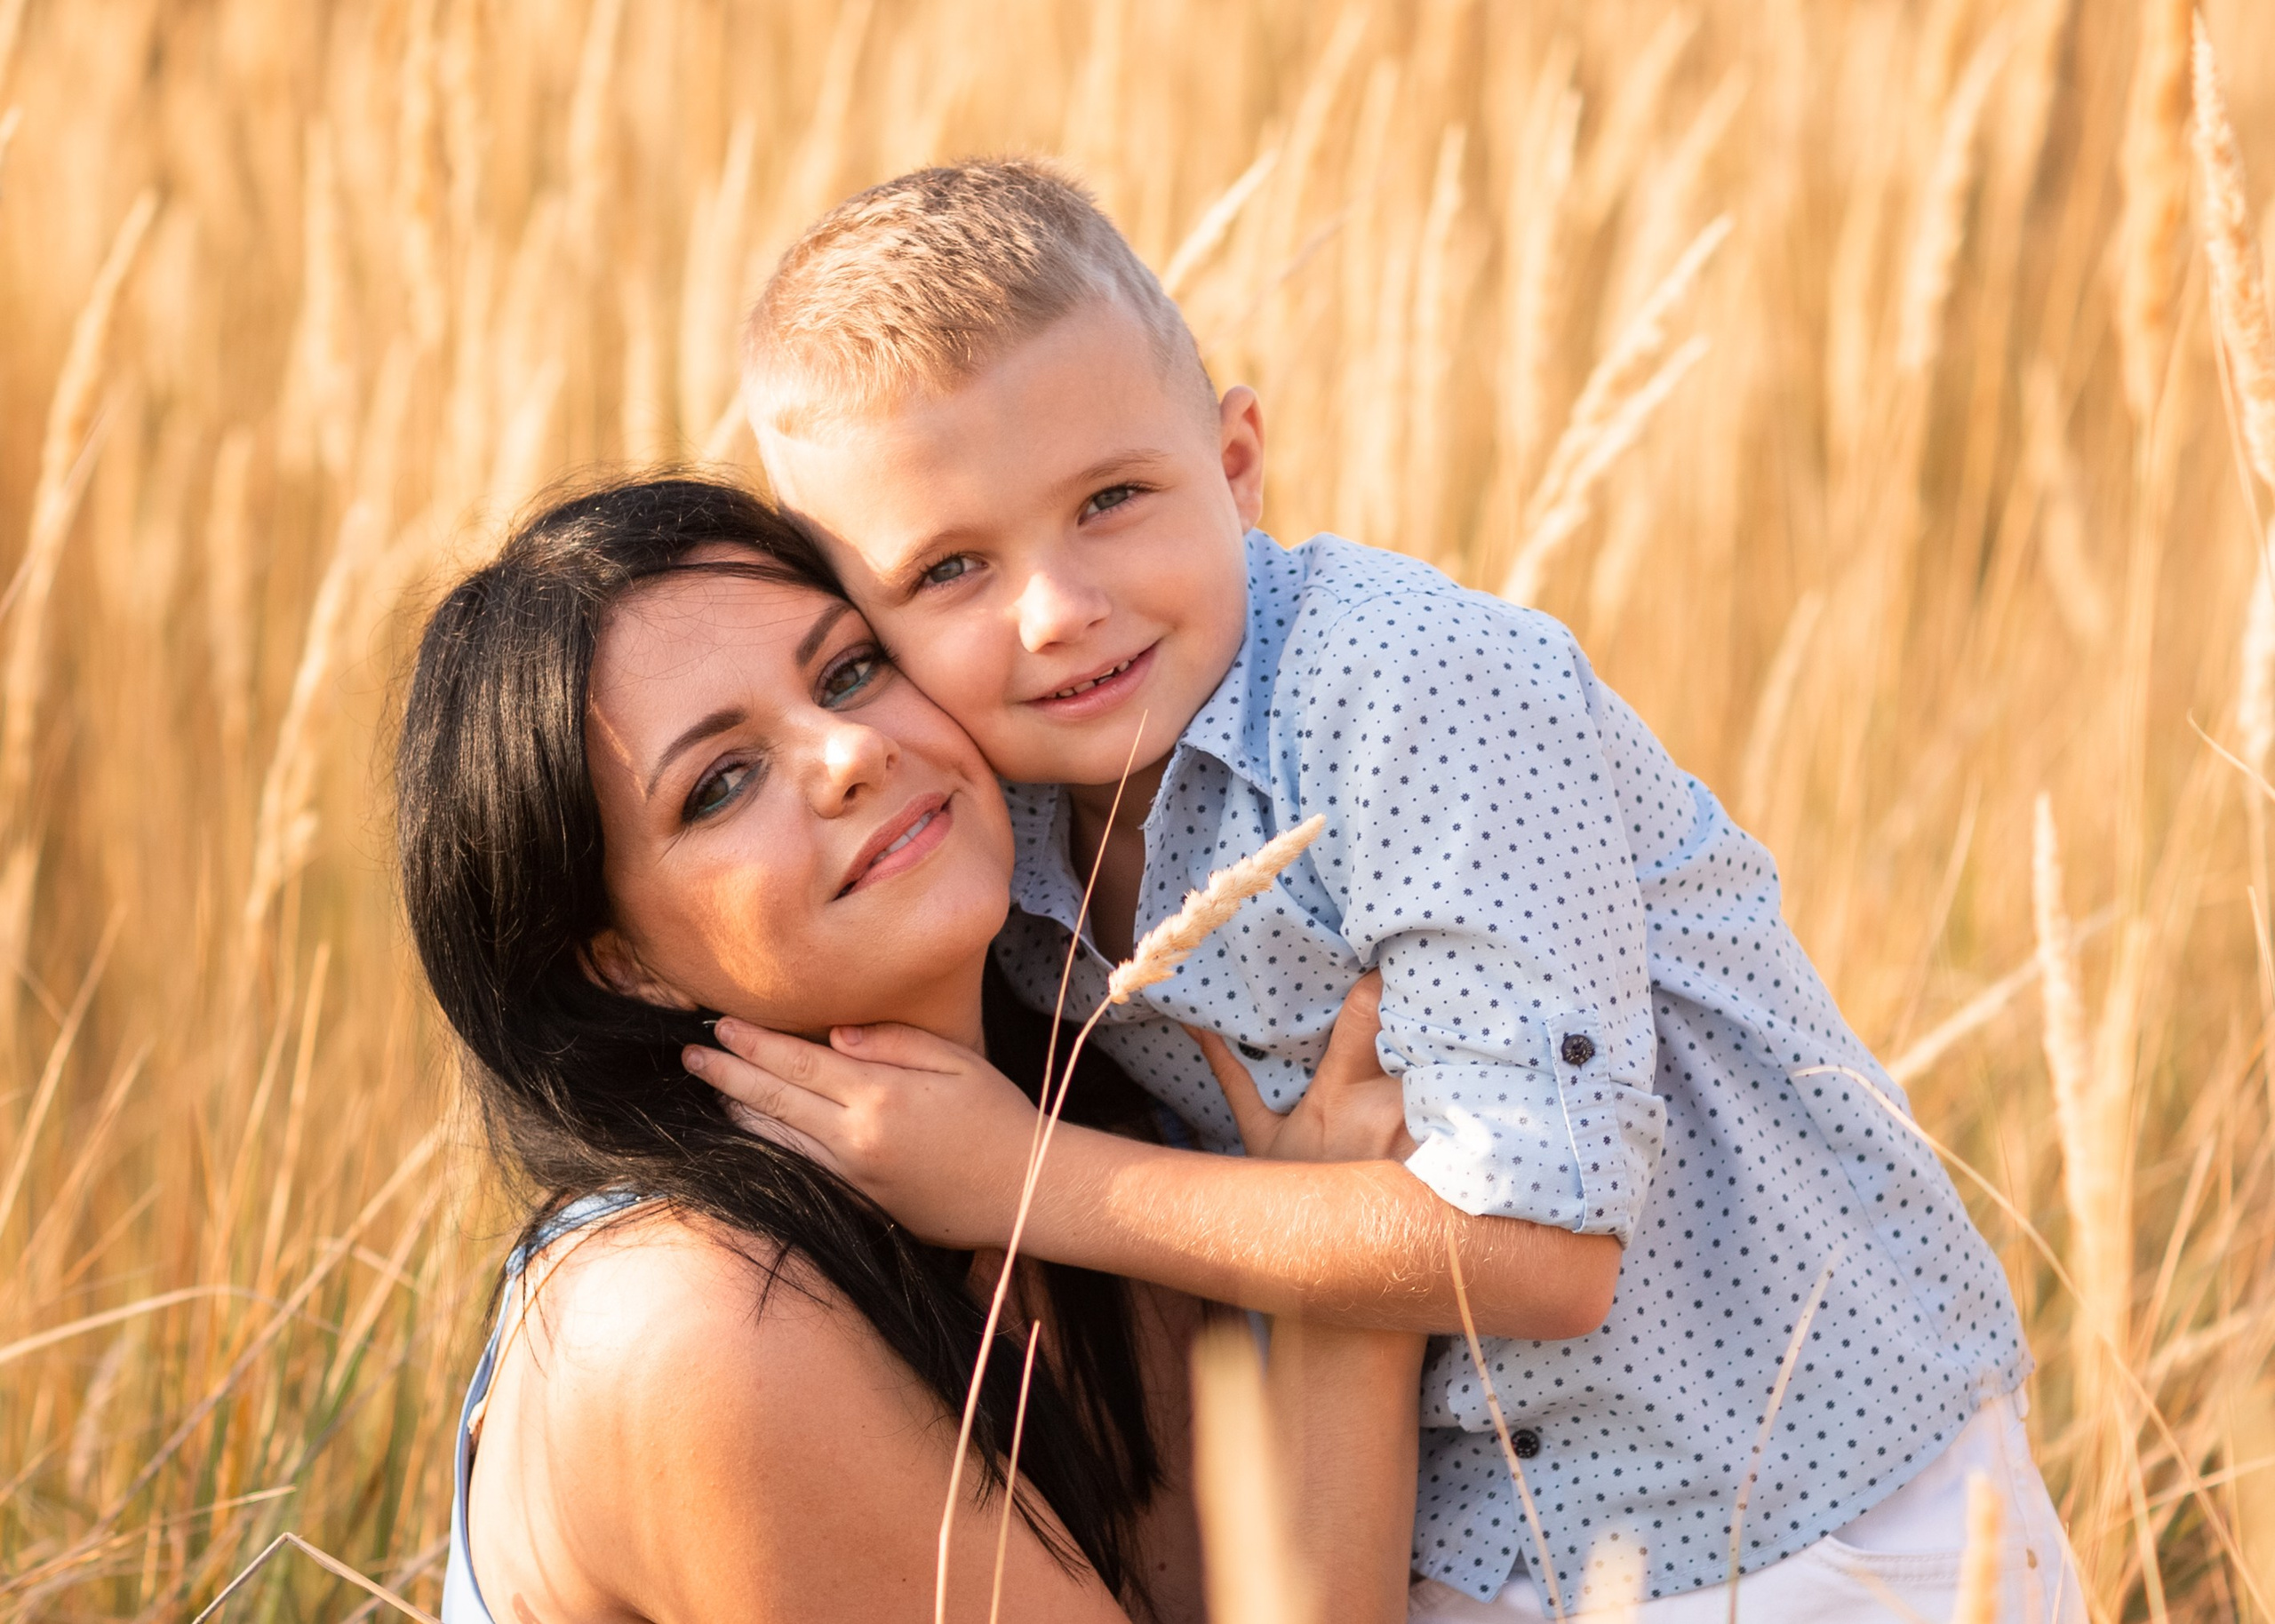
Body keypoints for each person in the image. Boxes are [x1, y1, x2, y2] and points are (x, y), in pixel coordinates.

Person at [704, 159, 2086, 1620]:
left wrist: (1018, 1180)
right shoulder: (990, 823)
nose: (1059, 609)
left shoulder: (1412, 691)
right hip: (1464, 1548)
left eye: (1112, 498)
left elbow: (1543, 1250)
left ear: (1238, 463)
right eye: (950, 570)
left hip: (1808, 1511)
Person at [395, 477, 1425, 1624]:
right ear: (618, 963)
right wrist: (1352, 1284)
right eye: (721, 785)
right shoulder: (689, 1328)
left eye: (849, 671)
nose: (849, 751)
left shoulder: (1107, 1117)